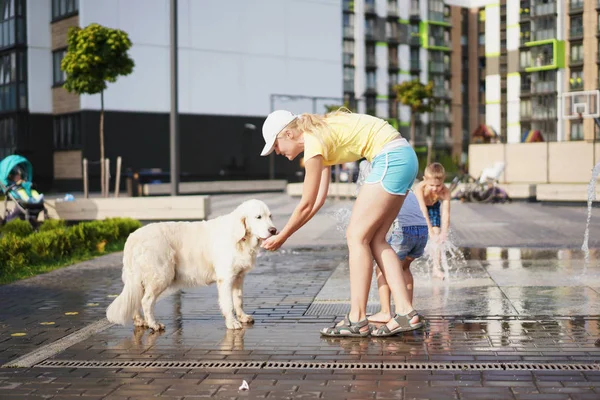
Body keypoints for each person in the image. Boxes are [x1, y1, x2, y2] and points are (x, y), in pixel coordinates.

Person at [260, 109, 423, 337]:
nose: (275, 152)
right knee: (375, 239)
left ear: (287, 133)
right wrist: (285, 235)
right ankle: (406, 313)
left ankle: (357, 319)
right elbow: (317, 201)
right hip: (404, 156)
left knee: (356, 236)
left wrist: (283, 236)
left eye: (275, 145)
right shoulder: (319, 137)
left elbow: (305, 203)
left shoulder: (314, 141)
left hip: (390, 158)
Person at [368, 190, 428, 328]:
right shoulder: (409, 189)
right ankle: (409, 311)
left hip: (404, 231)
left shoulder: (388, 187)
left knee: (382, 268)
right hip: (423, 231)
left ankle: (385, 312)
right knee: (404, 268)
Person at [414, 162, 451, 280]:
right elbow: (422, 210)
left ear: (443, 180)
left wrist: (443, 233)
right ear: (425, 180)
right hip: (417, 207)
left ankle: (436, 268)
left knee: (437, 235)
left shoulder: (445, 191)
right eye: (431, 185)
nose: (435, 189)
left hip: (433, 207)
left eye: (438, 185)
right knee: (414, 235)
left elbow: (446, 213)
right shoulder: (419, 188)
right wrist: (429, 230)